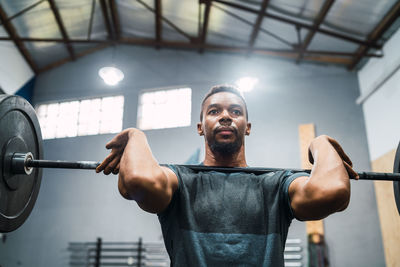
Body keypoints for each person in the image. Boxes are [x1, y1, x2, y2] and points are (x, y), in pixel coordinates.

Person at [96, 85, 358, 266]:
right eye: (214, 111)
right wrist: (135, 135)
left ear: (248, 127)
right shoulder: (180, 180)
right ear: (201, 128)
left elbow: (333, 192)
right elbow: (139, 182)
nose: (225, 117)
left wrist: (320, 143)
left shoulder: (276, 184)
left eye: (235, 111)